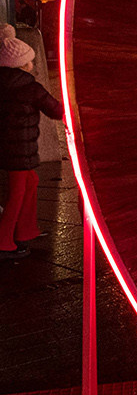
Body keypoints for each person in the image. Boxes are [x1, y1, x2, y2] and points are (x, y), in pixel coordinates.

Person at [0, 26, 62, 260]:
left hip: (8, 148)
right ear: (22, 64)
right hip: (20, 150)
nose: (32, 65)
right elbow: (55, 109)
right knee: (17, 193)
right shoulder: (29, 86)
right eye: (30, 61)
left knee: (31, 181)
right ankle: (4, 241)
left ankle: (26, 230)